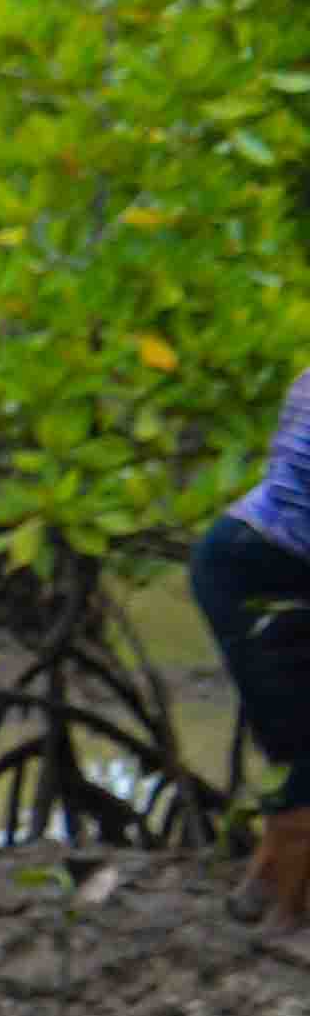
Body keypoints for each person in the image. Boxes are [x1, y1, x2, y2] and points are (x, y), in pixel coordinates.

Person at [194, 360, 310, 934]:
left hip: (246, 559)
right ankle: (287, 917)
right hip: (260, 568)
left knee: (303, 740)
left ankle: (263, 886)